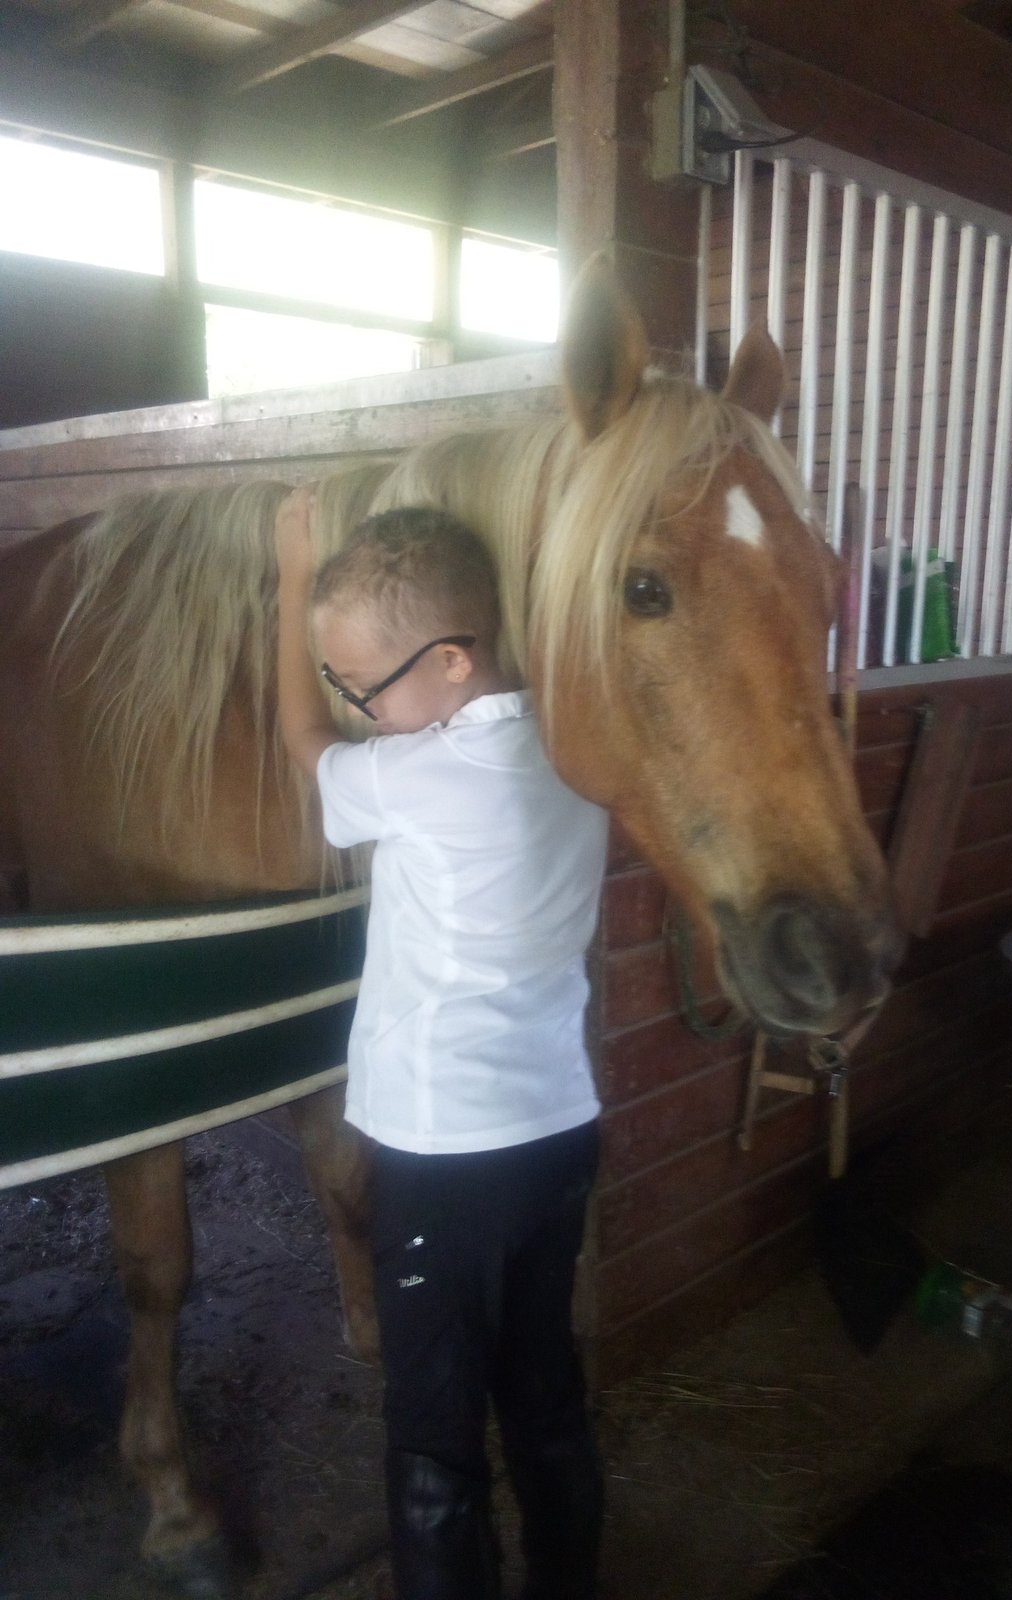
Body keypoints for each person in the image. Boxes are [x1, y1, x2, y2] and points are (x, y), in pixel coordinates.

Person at [274, 491, 610, 1600]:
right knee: (544, 1389)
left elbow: (303, 746)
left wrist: (290, 585)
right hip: (558, 1129)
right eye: (346, 685)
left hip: (444, 1154)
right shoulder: (574, 747)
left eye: (367, 685)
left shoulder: (420, 775)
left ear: (456, 661)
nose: (359, 708)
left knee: (432, 1429)